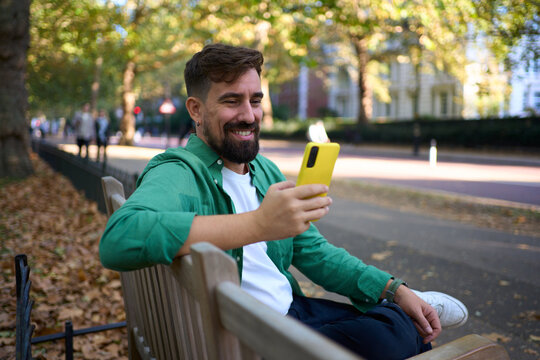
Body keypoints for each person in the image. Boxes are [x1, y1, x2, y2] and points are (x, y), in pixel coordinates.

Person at [99, 44, 467, 359]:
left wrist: (394, 288)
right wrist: (258, 224)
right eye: (231, 101)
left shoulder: (264, 170)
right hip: (248, 337)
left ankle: (401, 308)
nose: (248, 115)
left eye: (255, 100)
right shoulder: (178, 171)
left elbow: (315, 253)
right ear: (195, 110)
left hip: (291, 310)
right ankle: (401, 317)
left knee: (392, 320)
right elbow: (119, 238)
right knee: (392, 335)